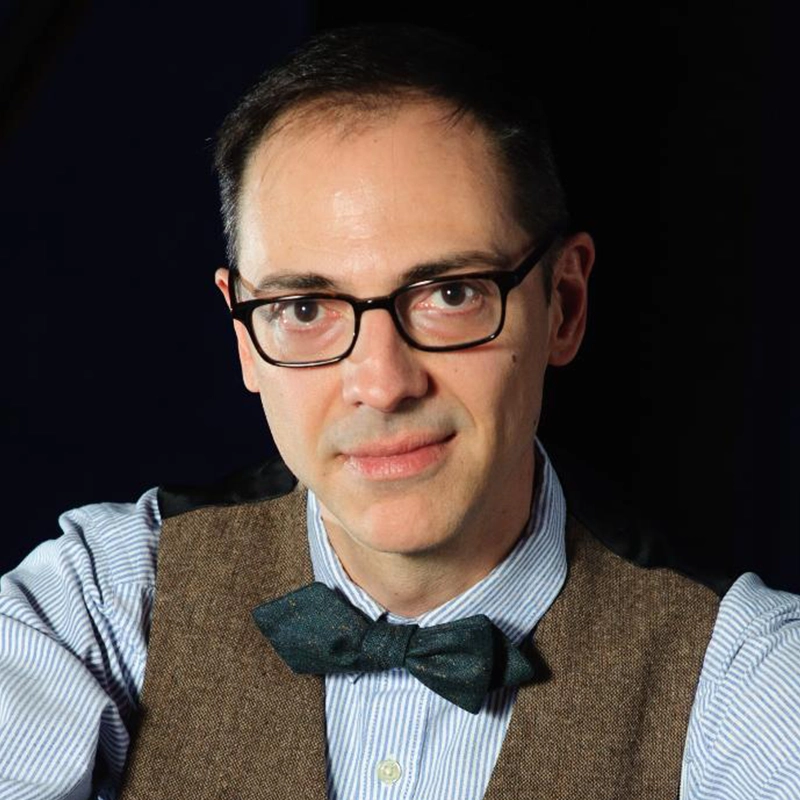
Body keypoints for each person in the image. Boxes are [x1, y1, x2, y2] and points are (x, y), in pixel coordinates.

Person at [1, 24, 798, 800]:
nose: (381, 383)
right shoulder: (101, 600)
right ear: (244, 334)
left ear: (564, 303)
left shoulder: (747, 673)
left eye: (450, 294)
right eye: (305, 306)